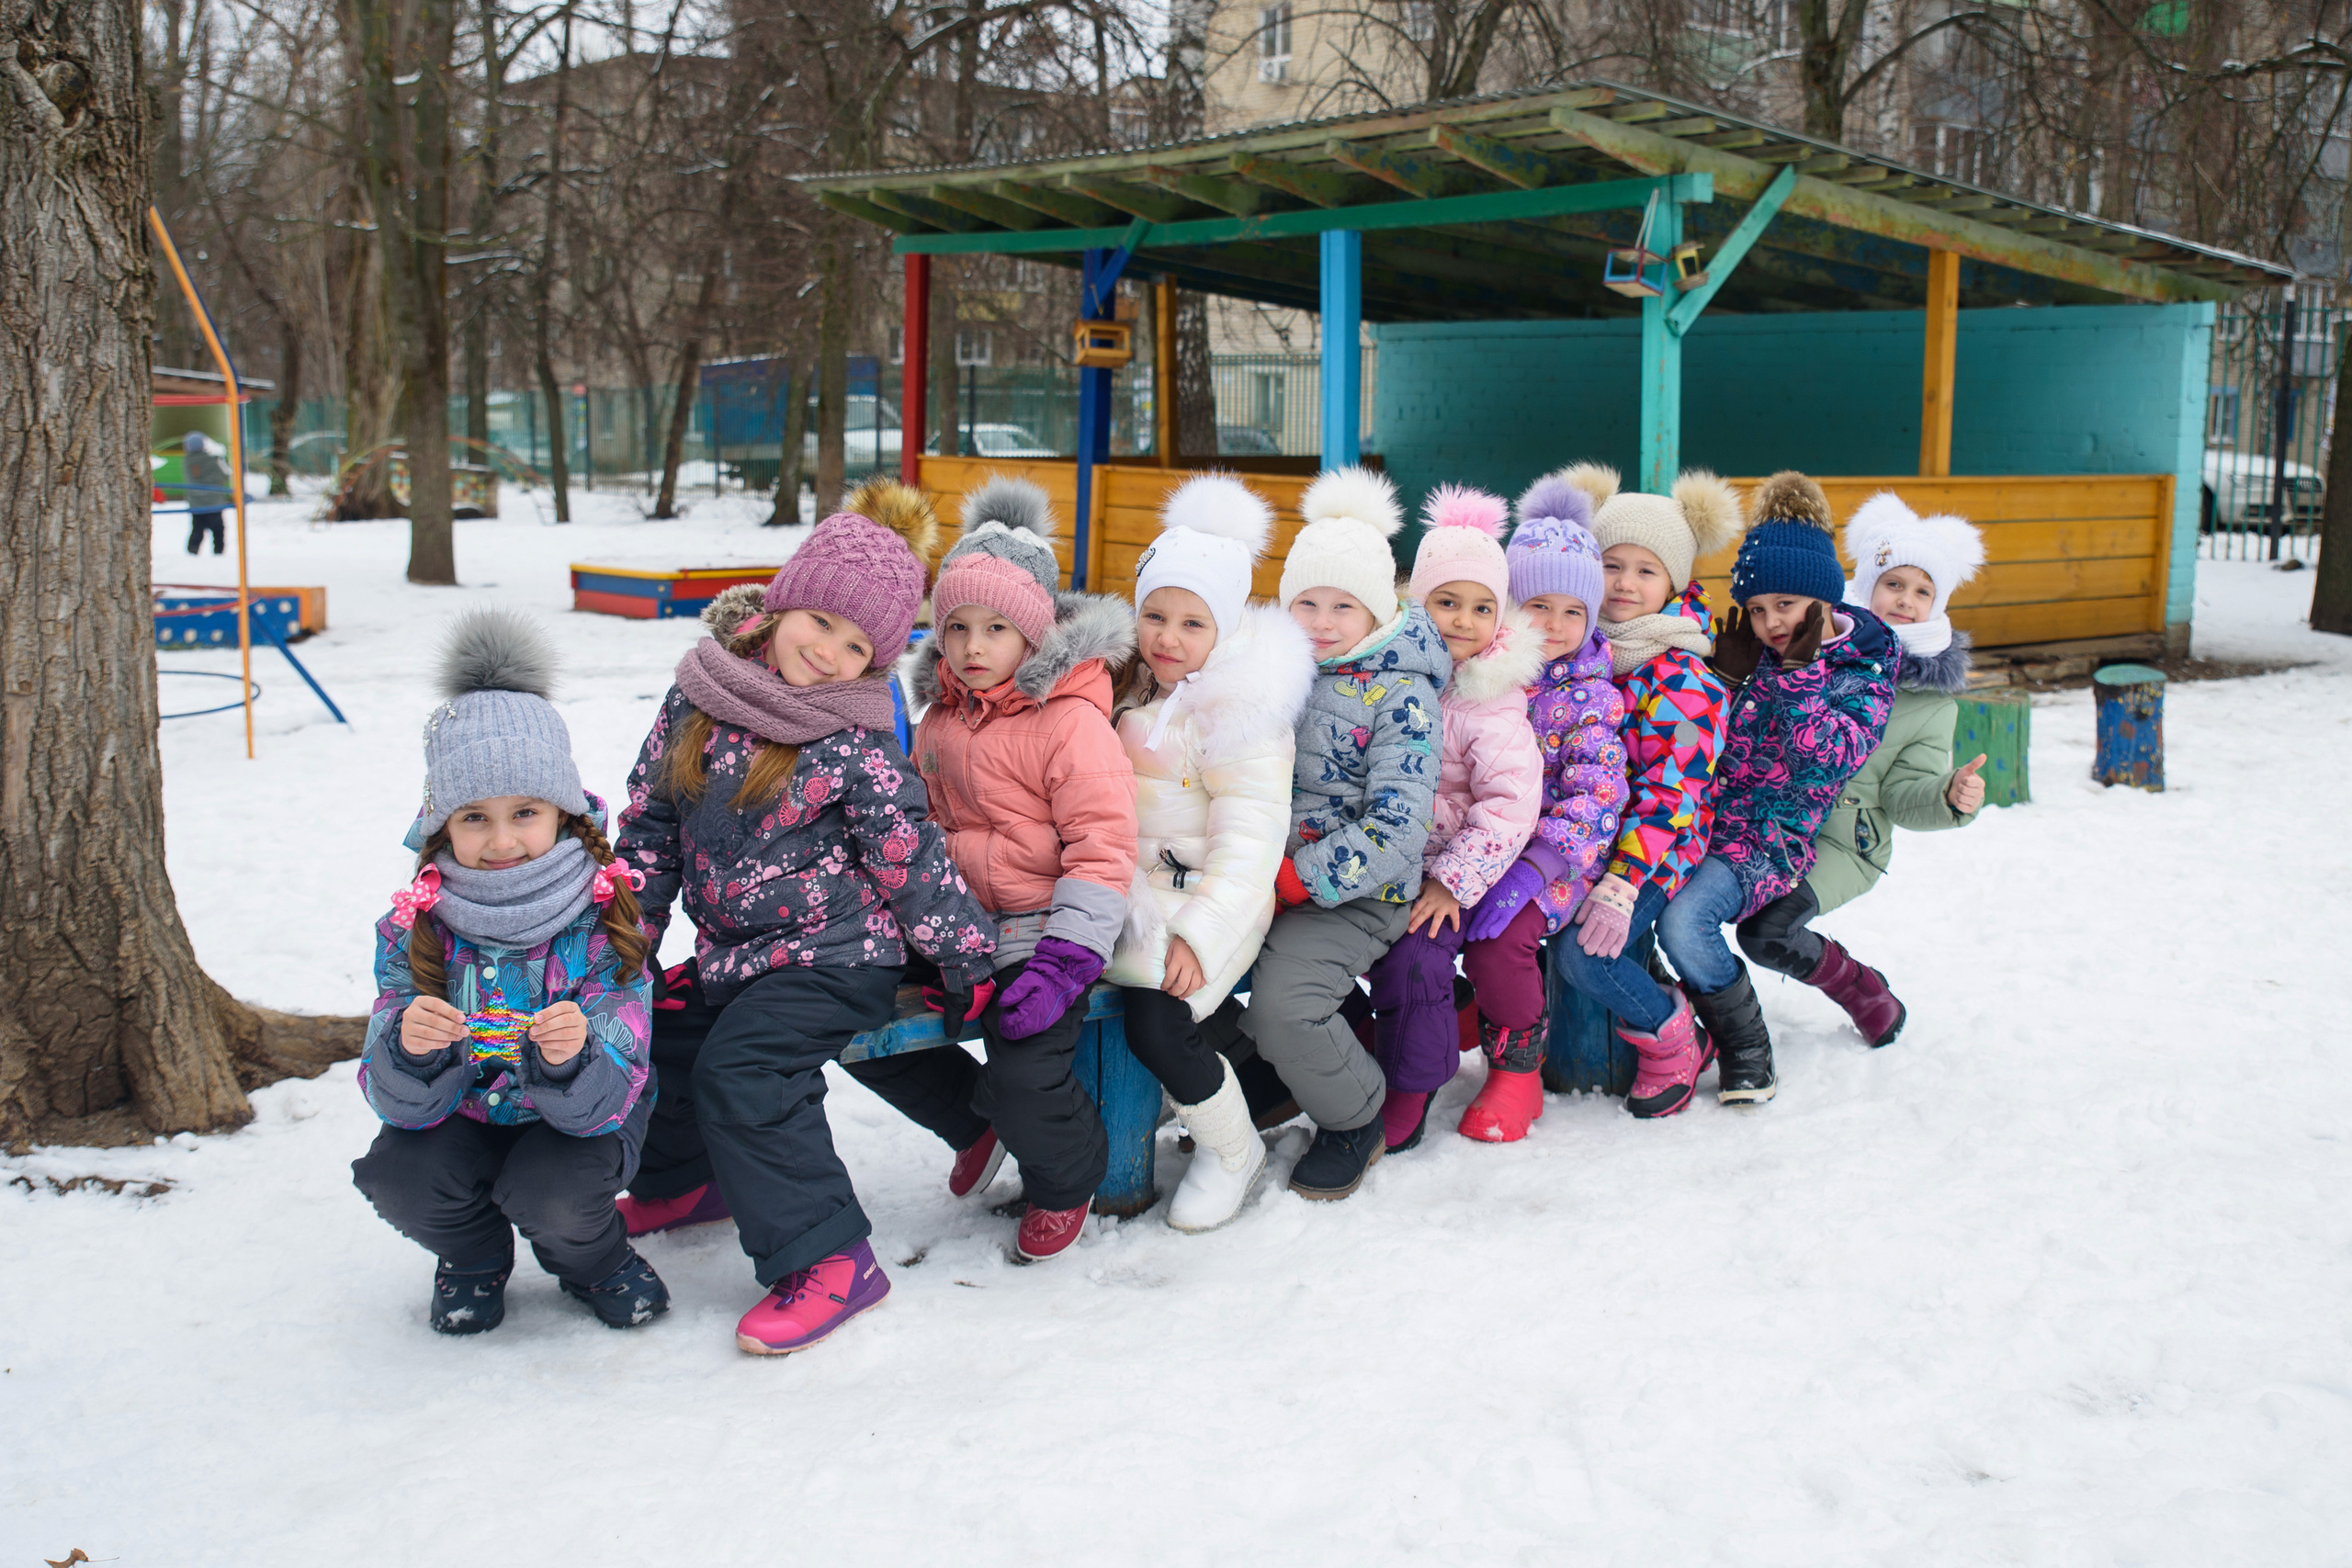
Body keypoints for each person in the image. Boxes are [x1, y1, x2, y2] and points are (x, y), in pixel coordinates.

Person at [614, 482, 999, 1354]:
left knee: (746, 1074)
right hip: (738, 955)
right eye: (821, 621)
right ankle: (686, 1179)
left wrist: (963, 954)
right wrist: (621, 942)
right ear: (783, 599)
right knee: (662, 1032)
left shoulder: (853, 738)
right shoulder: (699, 695)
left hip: (837, 957)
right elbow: (649, 823)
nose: (828, 652)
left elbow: (910, 854)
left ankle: (832, 1257)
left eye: (858, 643)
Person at [842, 477, 1137, 1264]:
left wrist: (1068, 955)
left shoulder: (1070, 720)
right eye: (959, 626)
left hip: (1046, 925)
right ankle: (973, 1123)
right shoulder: (939, 716)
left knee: (1023, 1050)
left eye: (997, 628)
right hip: (956, 919)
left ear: (1035, 636)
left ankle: (1067, 1172)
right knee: (850, 1011)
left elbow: (1103, 843)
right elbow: (917, 828)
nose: (974, 647)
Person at [351, 607, 665, 1336]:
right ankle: (471, 1254)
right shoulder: (416, 922)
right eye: (473, 817)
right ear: (441, 826)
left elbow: (622, 1070)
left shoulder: (603, 916)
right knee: (399, 1173)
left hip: (583, 1119)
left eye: (524, 811)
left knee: (553, 1191)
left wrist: (572, 1056)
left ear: (561, 811)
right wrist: (408, 1046)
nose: (500, 841)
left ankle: (594, 1261)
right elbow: (390, 1092)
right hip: (462, 1111)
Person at [1198, 465, 1448, 1201]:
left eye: (1345, 605)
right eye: (1307, 601)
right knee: (1173, 975)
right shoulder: (1274, 669)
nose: (1322, 620)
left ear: (1380, 613)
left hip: (1355, 891)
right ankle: (1274, 1075)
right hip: (1261, 872)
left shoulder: (1400, 693)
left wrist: (1301, 877)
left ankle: (1356, 1113)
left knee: (1282, 1004)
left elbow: (1400, 825)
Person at [1104, 474, 1314, 1231]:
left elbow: (1250, 840)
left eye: (1193, 622)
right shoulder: (1131, 688)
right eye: (1154, 614)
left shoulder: (1240, 712)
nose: (1168, 636)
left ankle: (1231, 1148)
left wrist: (1198, 930)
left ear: (1226, 629)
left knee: (1156, 1018)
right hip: (1130, 885)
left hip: (1215, 898)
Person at [1655, 472, 1900, 1105]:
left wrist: (1798, 677)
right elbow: (1706, 749)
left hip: (1770, 841)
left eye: (1784, 606)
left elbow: (1826, 761)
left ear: (1823, 600)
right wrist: (1723, 686)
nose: (1768, 623)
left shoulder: (1862, 670)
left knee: (1686, 923)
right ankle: (1674, 1028)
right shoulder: (1754, 651)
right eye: (1757, 608)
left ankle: (1745, 1046)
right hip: (1700, 821)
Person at [1736, 491, 1987, 1045]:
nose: (1906, 600)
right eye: (1894, 583)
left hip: (1843, 839)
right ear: (1866, 584)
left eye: (1923, 591)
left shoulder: (1929, 702)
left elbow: (1902, 794)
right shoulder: (1807, 639)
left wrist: (1948, 794)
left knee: (1765, 931)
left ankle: (1858, 987)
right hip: (1767, 818)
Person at [1542, 462, 1742, 1120]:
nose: (1625, 583)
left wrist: (1625, 880)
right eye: (1612, 563)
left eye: (1646, 569)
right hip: (1583, 837)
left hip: (1654, 850)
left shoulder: (1682, 676)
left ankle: (1674, 1034)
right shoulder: (1580, 650)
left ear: (1674, 581)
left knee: (1583, 954)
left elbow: (1673, 795)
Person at [1449, 473, 1629, 1144]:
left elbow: (1598, 794)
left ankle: (1518, 1069)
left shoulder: (1589, 697)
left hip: (1559, 857)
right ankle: (1460, 1014)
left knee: (1501, 939)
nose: (1554, 626)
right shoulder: (1476, 677)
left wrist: (1536, 867)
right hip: (1476, 840)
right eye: (1536, 606)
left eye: (1572, 611)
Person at [1364, 485, 1542, 1153]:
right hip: (1396, 856)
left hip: (1465, 870)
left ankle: (1414, 1080)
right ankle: (1368, 1045)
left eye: (1480, 607)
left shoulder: (1494, 701)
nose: (1462, 620)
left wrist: (1453, 882)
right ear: (1418, 604)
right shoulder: (1395, 673)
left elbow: (1509, 804)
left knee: (1416, 952)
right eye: (1446, 602)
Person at [182, 431, 229, 555]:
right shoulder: (212, 460)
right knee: (218, 529)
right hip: (214, 502)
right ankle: (219, 550)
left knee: (197, 528)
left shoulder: (186, 461)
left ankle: (193, 549)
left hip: (196, 502)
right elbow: (225, 476)